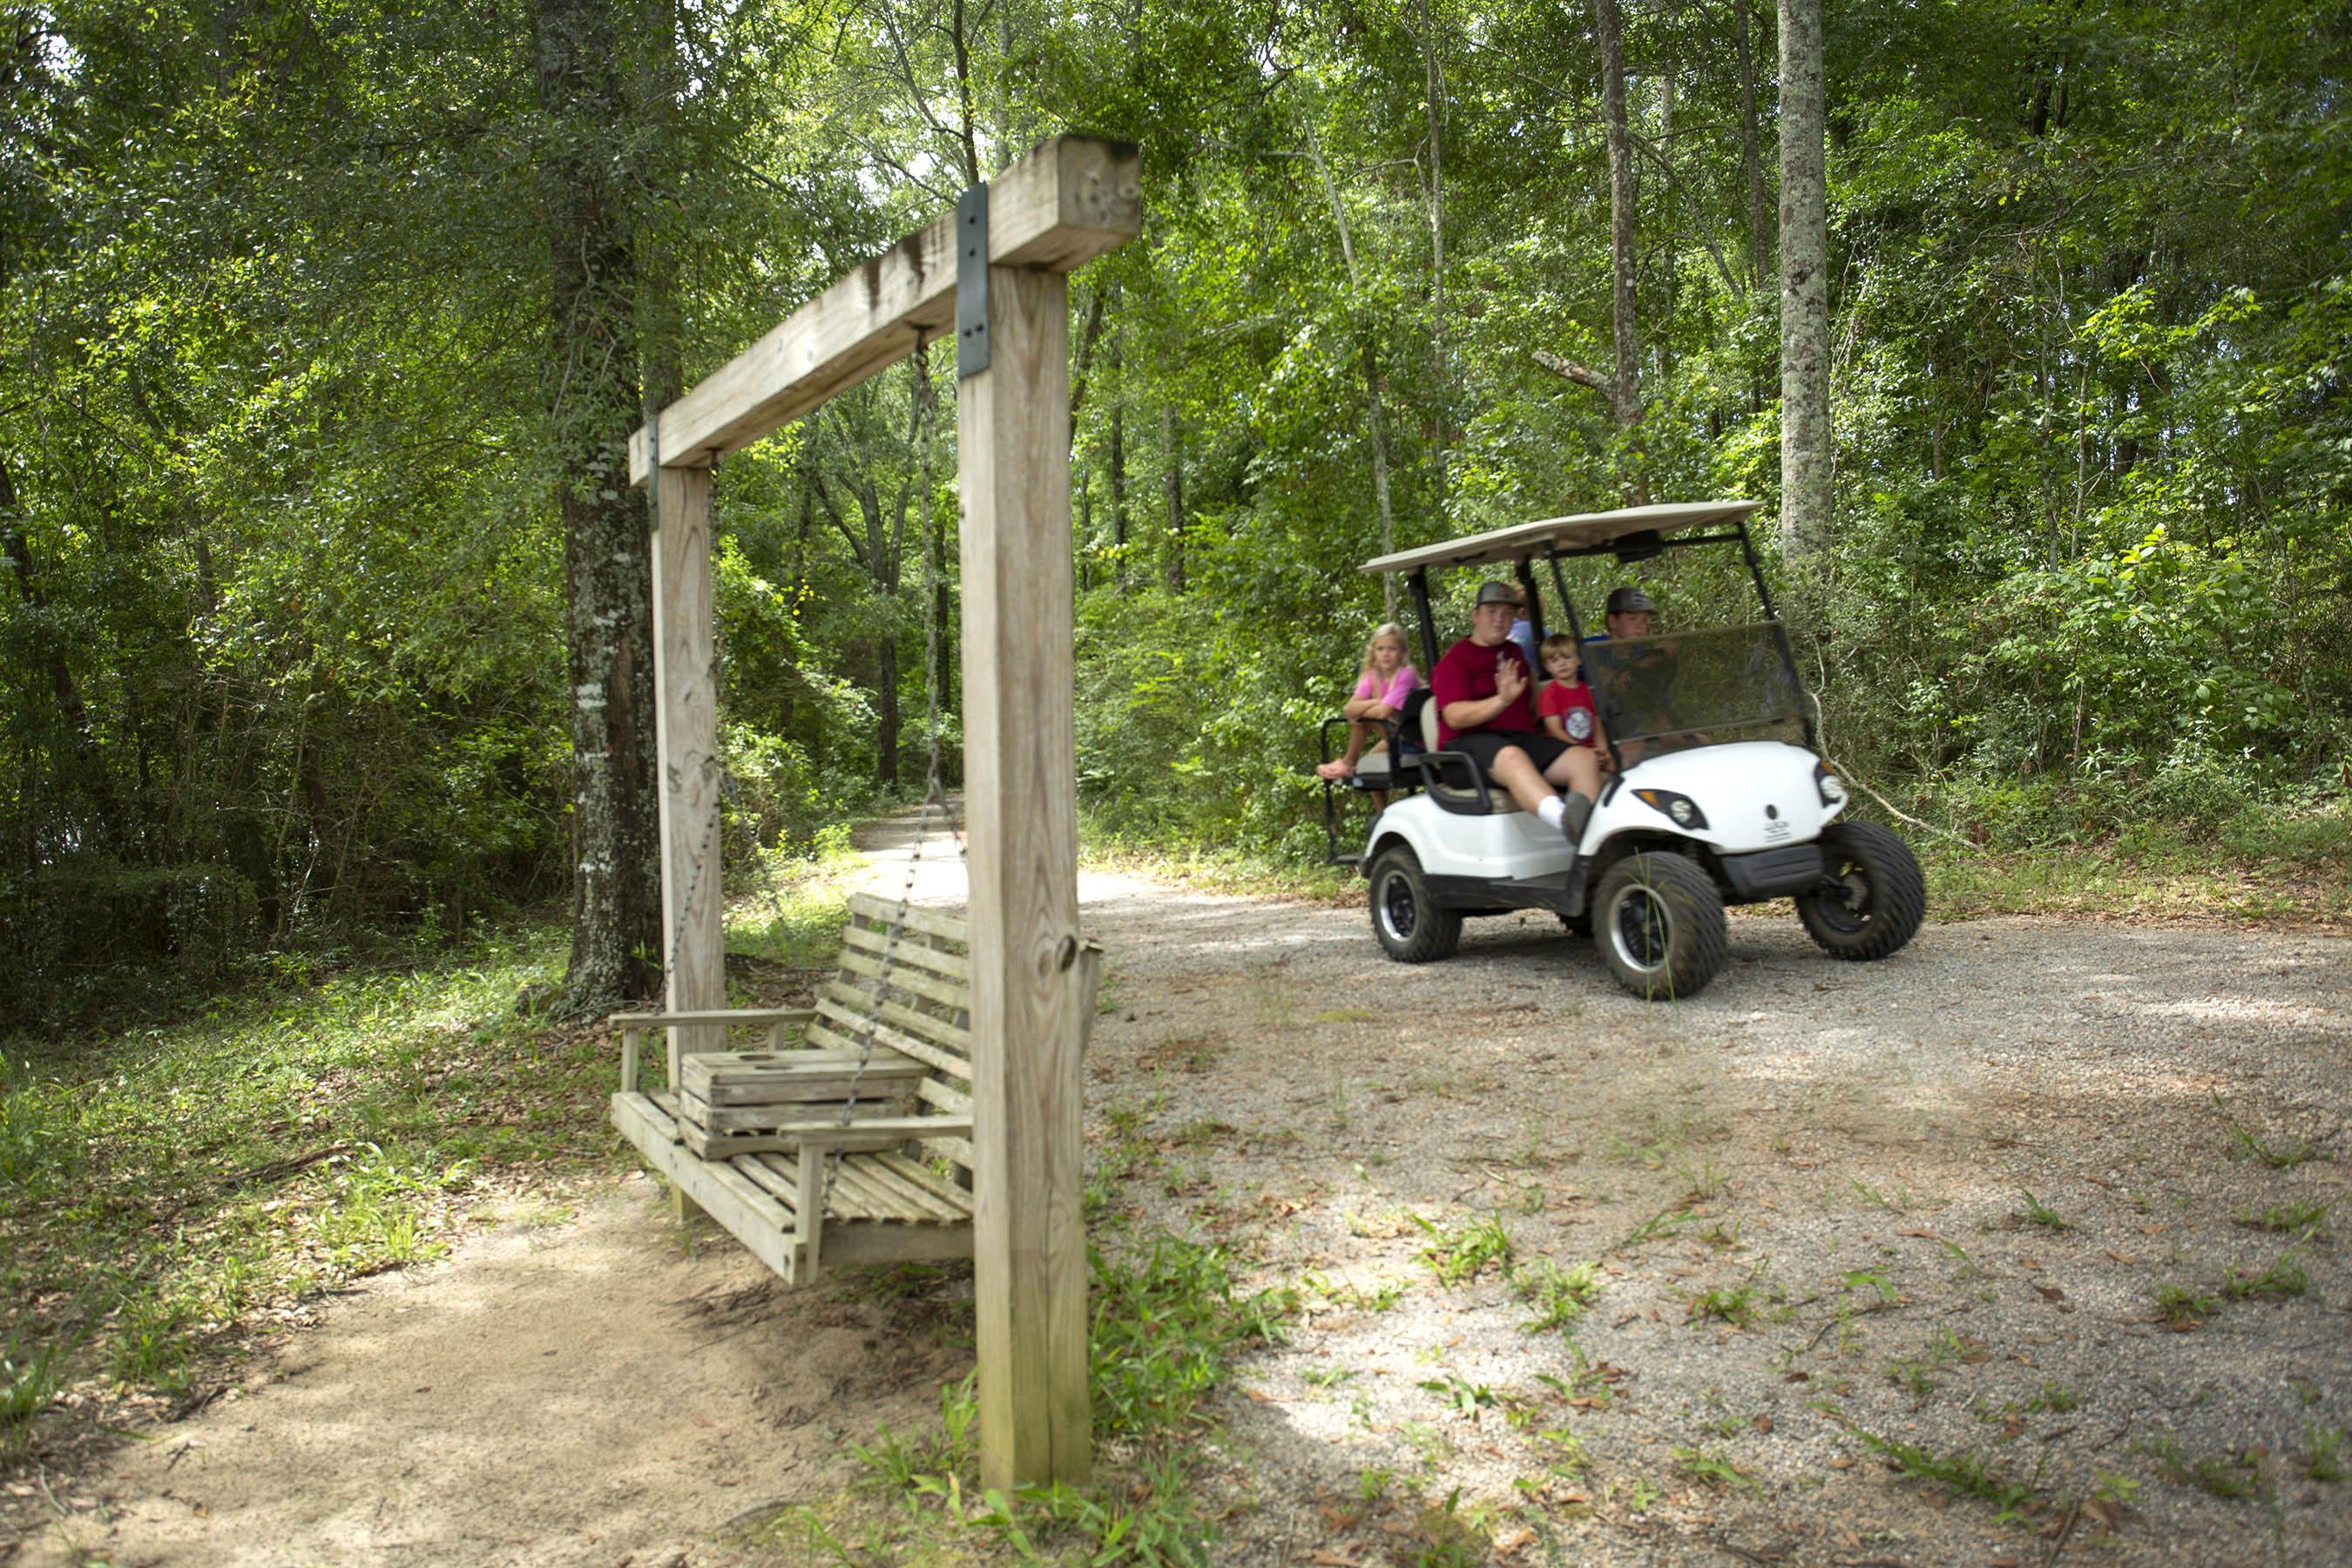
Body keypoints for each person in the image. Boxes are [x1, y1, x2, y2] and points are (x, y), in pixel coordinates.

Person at [1429, 581, 1603, 841]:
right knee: (1512, 755)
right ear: (1475, 615)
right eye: (1492, 612)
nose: (1499, 619)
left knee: (1584, 759)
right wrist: (1501, 700)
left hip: (1519, 739)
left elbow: (1533, 700)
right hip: (1465, 751)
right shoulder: (1455, 660)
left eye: (1507, 613)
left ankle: (1590, 847)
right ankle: (1567, 822)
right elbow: (1454, 716)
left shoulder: (1515, 652)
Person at [1316, 622, 1419, 789]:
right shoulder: (1373, 676)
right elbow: (1348, 709)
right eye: (1380, 649)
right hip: (1394, 736)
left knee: (1363, 719)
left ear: (1402, 652)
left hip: (1415, 740)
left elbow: (1382, 713)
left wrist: (1364, 710)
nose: (1385, 654)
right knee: (1364, 767)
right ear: (1374, 652)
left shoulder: (1406, 675)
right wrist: (1375, 701)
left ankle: (1348, 761)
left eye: (1392, 649)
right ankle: (1381, 811)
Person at [1537, 633, 1608, 762]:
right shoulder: (1549, 694)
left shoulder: (1589, 690)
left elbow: (1596, 722)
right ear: (1547, 666)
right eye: (1554, 661)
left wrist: (1602, 747)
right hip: (1565, 751)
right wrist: (1583, 750)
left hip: (1592, 749)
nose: (1562, 663)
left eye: (1567, 657)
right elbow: (1555, 730)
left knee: (1616, 764)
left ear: (1579, 660)